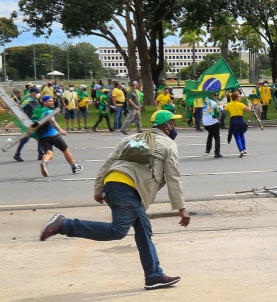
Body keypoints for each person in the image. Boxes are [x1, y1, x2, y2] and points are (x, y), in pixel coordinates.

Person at [39, 110, 189, 290]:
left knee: (143, 229)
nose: (175, 127)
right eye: (173, 123)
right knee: (118, 231)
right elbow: (173, 176)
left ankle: (154, 275)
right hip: (127, 189)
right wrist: (181, 208)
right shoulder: (168, 144)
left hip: (114, 183)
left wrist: (98, 189)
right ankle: (64, 225)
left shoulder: (132, 139)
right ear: (165, 126)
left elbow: (109, 162)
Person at [36, 95, 82, 177]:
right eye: (50, 101)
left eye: (52, 101)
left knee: (49, 153)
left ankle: (44, 162)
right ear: (44, 102)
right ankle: (74, 167)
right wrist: (60, 130)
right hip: (53, 135)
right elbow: (52, 121)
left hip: (42, 137)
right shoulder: (48, 111)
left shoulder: (39, 111)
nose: (52, 102)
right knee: (66, 150)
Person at [13, 87, 43, 163]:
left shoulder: (34, 100)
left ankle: (40, 154)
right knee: (27, 139)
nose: (38, 94)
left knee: (39, 138)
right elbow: (34, 111)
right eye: (37, 92)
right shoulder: (28, 102)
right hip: (29, 123)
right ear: (32, 93)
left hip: (33, 122)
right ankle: (17, 155)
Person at [224, 91, 252, 157]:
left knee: (237, 136)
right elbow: (249, 110)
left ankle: (241, 149)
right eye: (239, 96)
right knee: (242, 134)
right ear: (236, 98)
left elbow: (223, 111)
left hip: (233, 120)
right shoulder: (240, 104)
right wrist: (249, 104)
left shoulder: (229, 104)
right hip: (240, 120)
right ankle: (244, 148)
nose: (240, 98)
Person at [203, 91, 223, 158]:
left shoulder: (205, 100)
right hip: (212, 122)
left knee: (210, 134)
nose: (216, 97)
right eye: (215, 95)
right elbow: (220, 110)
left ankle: (208, 149)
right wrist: (220, 105)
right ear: (211, 95)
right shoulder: (213, 103)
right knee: (217, 138)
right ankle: (217, 153)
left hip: (205, 123)